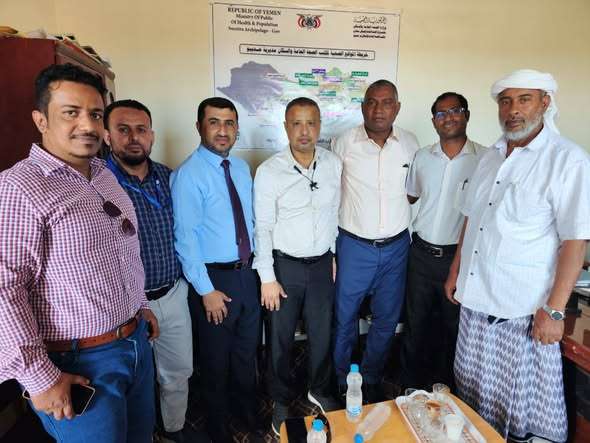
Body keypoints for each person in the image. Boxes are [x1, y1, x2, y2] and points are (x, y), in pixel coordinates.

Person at [0, 63, 159, 443]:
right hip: (77, 363)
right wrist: (39, 377)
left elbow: (124, 249)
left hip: (134, 343)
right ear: (41, 119)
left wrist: (140, 305)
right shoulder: (20, 187)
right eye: (71, 113)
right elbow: (4, 288)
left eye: (95, 114)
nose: (87, 125)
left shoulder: (103, 175)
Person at [444, 69, 590, 442]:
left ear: (545, 103)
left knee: (518, 410)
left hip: (521, 311)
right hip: (475, 302)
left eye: (524, 99)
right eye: (506, 101)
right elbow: (471, 219)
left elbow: (575, 241)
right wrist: (455, 271)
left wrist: (555, 311)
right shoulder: (490, 157)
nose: (513, 110)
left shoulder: (567, 160)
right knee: (473, 395)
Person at [103, 100, 196, 443]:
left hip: (172, 293)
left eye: (141, 130)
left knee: (178, 372)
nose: (133, 138)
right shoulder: (98, 184)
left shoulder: (169, 178)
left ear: (152, 135)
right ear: (107, 136)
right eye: (123, 130)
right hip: (125, 305)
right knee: (133, 379)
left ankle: (173, 430)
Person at [171, 97, 260, 442]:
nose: (223, 130)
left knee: (246, 353)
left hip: (247, 274)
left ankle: (247, 415)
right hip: (213, 280)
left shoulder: (240, 168)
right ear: (199, 127)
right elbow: (185, 239)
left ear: (237, 129)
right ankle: (219, 428)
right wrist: (206, 290)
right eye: (214, 122)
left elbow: (250, 222)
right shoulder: (188, 175)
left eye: (229, 123)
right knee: (215, 361)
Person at [252, 97, 342, 435]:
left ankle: (319, 388)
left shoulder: (333, 164)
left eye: (311, 123)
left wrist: (332, 254)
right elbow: (262, 227)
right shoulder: (269, 170)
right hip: (283, 267)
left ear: (319, 126)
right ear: (286, 127)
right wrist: (267, 277)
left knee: (322, 333)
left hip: (321, 265)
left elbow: (333, 213)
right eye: (296, 123)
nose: (304, 131)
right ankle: (281, 399)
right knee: (280, 338)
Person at [331, 79, 420, 401]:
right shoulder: (344, 142)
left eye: (386, 102)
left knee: (385, 319)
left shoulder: (410, 143)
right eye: (371, 102)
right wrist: (332, 250)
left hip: (397, 247)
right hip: (354, 246)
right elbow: (331, 194)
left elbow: (414, 191)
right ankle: (342, 380)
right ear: (362, 107)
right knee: (344, 318)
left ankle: (370, 378)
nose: (378, 109)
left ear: (397, 107)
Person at [398, 92, 487, 391]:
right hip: (421, 255)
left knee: (454, 328)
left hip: (458, 260)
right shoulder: (422, 157)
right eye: (441, 113)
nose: (448, 117)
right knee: (415, 325)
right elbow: (411, 196)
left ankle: (448, 393)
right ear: (434, 121)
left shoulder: (486, 160)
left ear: (467, 115)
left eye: (455, 111)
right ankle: (410, 389)